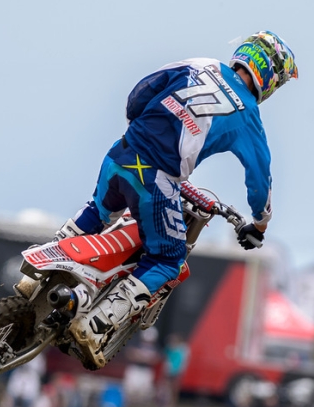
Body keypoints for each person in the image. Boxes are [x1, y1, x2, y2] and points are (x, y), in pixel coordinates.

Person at [59, 32, 298, 365]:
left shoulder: (201, 64)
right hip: (156, 178)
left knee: (98, 212)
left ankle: (39, 272)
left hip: (121, 151)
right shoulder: (248, 114)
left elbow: (142, 90)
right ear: (271, 77)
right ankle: (95, 324)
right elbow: (260, 178)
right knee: (168, 259)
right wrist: (260, 222)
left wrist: (139, 127)